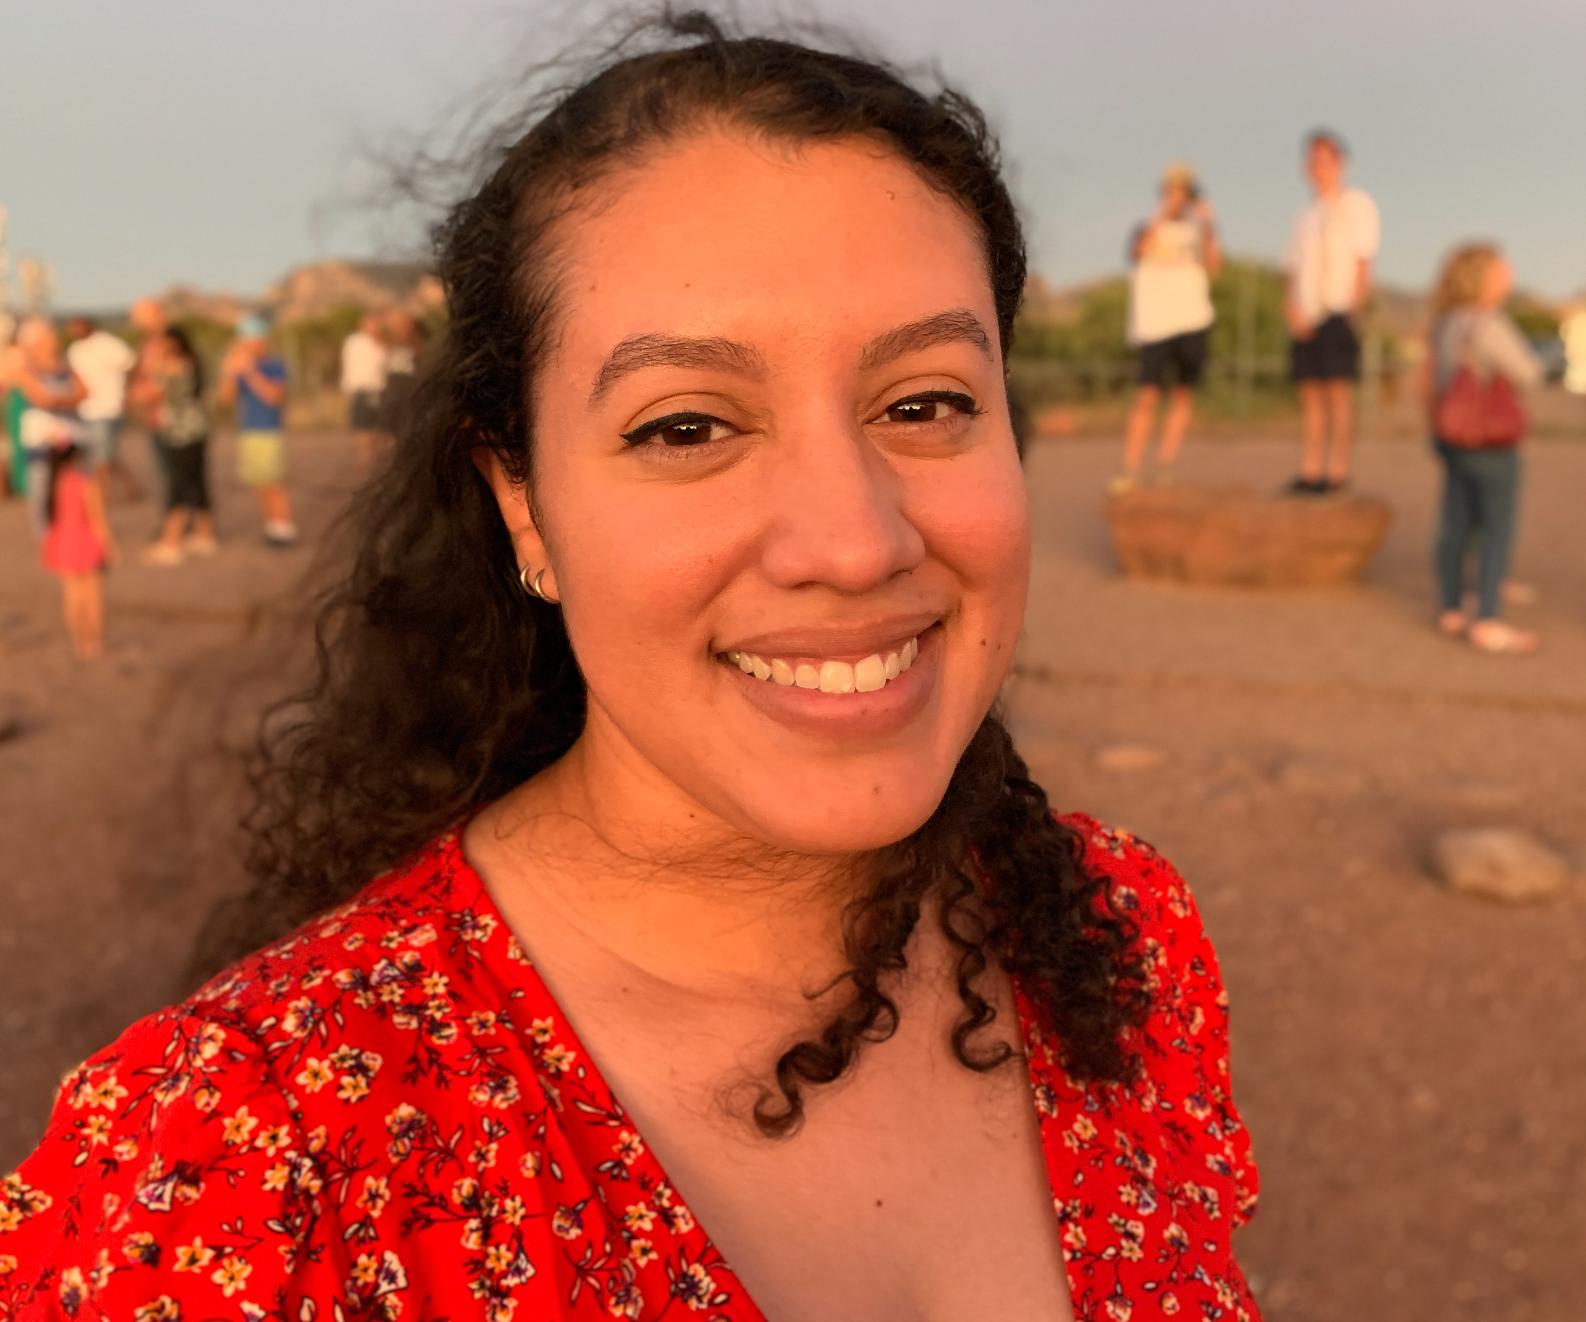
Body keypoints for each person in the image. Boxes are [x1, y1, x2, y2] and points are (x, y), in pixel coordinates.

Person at [3, 17, 1261, 1321]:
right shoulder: (249, 1145)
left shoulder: (1127, 945)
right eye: (687, 426)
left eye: (925, 401)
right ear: (526, 507)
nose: (852, 540)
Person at [1424, 243, 1544, 654]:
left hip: (1452, 437)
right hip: (1491, 443)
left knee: (1455, 523)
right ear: (1484, 276)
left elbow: (1435, 382)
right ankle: (1488, 616)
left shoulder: (1446, 323)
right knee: (1497, 529)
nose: (1509, 271)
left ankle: (1452, 606)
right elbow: (1528, 372)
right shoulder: (1489, 323)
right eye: (1501, 266)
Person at [1111, 163, 1221, 494]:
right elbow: (1139, 251)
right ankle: (1130, 470)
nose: (1178, 197)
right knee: (1147, 396)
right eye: (1172, 190)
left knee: (1182, 394)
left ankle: (1165, 465)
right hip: (1155, 324)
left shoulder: (1198, 231)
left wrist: (1207, 224)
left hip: (1192, 319)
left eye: (1184, 191)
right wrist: (1163, 213)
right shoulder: (1148, 226)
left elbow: (1215, 267)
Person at [1283, 129, 1380, 495]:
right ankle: (1310, 470)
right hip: (1304, 313)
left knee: (1337, 392)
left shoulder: (1356, 204)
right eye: (1312, 159)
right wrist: (1290, 308)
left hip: (1336, 310)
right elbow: (1291, 270)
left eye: (1325, 158)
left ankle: (1337, 471)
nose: (1318, 166)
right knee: (1309, 393)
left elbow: (1363, 259)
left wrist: (1354, 307)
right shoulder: (1304, 217)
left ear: (1342, 163)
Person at [141, 325, 218, 564]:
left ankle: (171, 542)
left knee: (178, 485)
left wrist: (151, 362)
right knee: (197, 482)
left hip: (179, 434)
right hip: (197, 430)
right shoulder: (191, 363)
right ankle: (205, 535)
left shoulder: (172, 367)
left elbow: (150, 393)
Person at [221, 313, 298, 546]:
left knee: (274, 482)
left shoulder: (274, 366)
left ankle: (286, 528)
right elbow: (226, 398)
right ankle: (273, 526)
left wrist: (251, 371)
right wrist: (230, 369)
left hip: (269, 431)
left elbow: (275, 397)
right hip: (249, 431)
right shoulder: (242, 368)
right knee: (260, 482)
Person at [10, 316, 88, 537]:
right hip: (41, 440)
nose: (54, 338)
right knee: (42, 485)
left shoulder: (64, 366)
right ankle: (46, 533)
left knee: (74, 483)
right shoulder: (25, 368)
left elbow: (85, 392)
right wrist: (69, 399)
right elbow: (42, 398)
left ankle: (71, 527)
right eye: (49, 334)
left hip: (72, 435)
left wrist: (60, 400)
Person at [40, 437, 117, 658]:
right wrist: (109, 545)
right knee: (93, 595)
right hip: (87, 542)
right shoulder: (85, 483)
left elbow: (48, 521)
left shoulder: (52, 485)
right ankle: (94, 642)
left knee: (71, 595)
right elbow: (98, 519)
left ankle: (78, 641)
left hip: (62, 544)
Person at [64, 315, 139, 501]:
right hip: (85, 408)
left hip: (108, 406)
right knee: (102, 452)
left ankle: (101, 495)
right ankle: (131, 485)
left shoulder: (108, 344)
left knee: (101, 455)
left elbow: (131, 364)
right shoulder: (75, 350)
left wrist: (128, 394)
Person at [340, 309, 389, 476]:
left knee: (384, 436)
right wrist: (349, 391)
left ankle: (383, 473)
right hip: (361, 391)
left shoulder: (383, 342)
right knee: (364, 438)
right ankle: (365, 474)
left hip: (381, 391)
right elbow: (348, 367)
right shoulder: (353, 342)